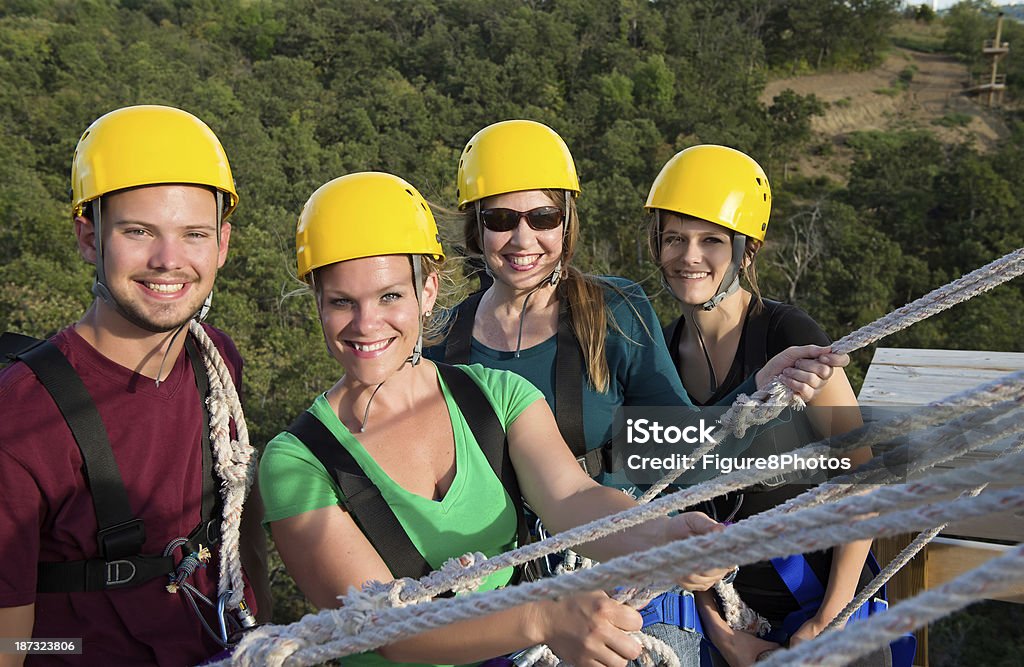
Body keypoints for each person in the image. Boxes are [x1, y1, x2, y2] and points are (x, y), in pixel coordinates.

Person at [259, 171, 736, 667]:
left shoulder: (498, 395)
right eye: (341, 302)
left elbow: (573, 498)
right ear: (316, 302)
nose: (366, 323)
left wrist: (660, 536)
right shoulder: (297, 463)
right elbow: (381, 628)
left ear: (427, 292)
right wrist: (540, 619)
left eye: (390, 296)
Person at [426, 120, 853, 665]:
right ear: (476, 229)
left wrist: (757, 391)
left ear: (566, 222)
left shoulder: (612, 313)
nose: (523, 239)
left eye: (543, 218)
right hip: (504, 601)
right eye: (501, 220)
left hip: (626, 586)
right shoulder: (442, 343)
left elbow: (684, 453)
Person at [0, 105, 270, 666]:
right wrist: (78, 649)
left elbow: (237, 521)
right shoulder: (21, 420)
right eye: (138, 231)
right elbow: (9, 643)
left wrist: (259, 636)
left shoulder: (214, 360)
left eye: (193, 233)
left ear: (221, 244)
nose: (168, 260)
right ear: (89, 239)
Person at [646, 145, 876, 667]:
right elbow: (674, 504)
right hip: (727, 613)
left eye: (711, 241)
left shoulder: (787, 337)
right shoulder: (660, 357)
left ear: (746, 252)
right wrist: (725, 636)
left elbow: (865, 478)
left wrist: (829, 621)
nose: (689, 257)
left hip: (823, 596)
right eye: (675, 238)